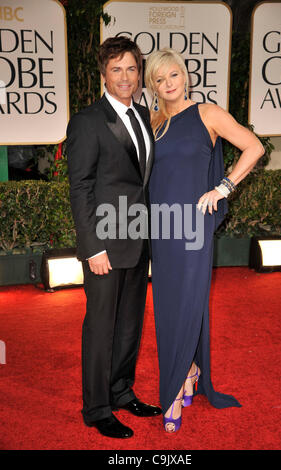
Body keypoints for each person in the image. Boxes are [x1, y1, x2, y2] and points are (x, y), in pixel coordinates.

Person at [145, 48, 265, 433]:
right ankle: (191, 368)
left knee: (186, 303)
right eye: (160, 80)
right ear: (154, 86)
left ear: (185, 76)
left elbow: (254, 146)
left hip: (193, 226)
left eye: (173, 75)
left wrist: (224, 187)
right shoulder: (154, 122)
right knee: (167, 306)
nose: (168, 85)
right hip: (162, 228)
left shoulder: (207, 114)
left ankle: (178, 385)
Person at [66, 36, 161, 439]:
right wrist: (93, 248)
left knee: (129, 326)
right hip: (105, 245)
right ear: (104, 74)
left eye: (132, 69)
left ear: (139, 73)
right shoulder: (88, 121)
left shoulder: (142, 114)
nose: (125, 77)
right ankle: (97, 407)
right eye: (116, 69)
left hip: (138, 241)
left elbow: (140, 182)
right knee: (101, 327)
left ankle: (121, 391)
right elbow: (81, 188)